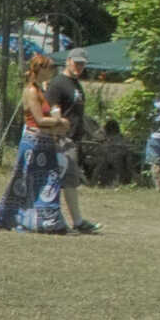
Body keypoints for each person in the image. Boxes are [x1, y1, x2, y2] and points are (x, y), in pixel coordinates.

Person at [0, 53, 74, 233]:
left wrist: (57, 120)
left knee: (46, 181)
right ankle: (7, 216)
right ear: (41, 69)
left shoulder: (41, 90)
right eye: (50, 67)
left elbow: (49, 114)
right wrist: (61, 122)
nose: (53, 70)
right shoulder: (31, 91)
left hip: (46, 143)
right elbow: (39, 119)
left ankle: (45, 221)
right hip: (34, 144)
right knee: (25, 181)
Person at [47, 50, 101, 232]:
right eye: (76, 63)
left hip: (73, 139)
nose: (79, 67)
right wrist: (56, 133)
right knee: (65, 179)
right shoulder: (58, 83)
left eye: (82, 64)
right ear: (68, 61)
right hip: (62, 139)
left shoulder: (75, 84)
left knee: (70, 180)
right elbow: (54, 110)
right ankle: (71, 221)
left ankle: (76, 221)